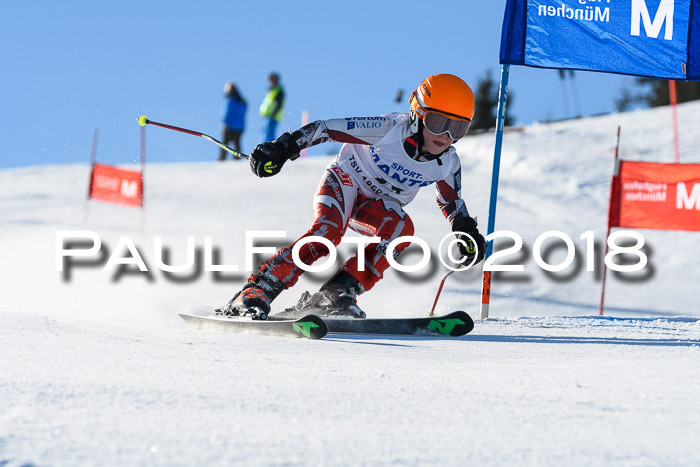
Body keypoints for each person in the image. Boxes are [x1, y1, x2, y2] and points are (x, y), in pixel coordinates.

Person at [221, 73, 487, 320]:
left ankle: (335, 294)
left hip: (378, 205)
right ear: (418, 114)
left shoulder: (448, 163)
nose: (446, 136)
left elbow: (451, 201)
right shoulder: (389, 129)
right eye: (439, 123)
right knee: (328, 232)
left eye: (458, 128)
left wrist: (464, 230)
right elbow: (325, 129)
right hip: (346, 181)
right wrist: (283, 148)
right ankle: (258, 290)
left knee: (401, 231)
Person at [220, 82, 247, 160]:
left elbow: (228, 112)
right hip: (239, 126)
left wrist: (225, 123)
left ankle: (222, 160)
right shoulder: (241, 100)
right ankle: (237, 159)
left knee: (224, 144)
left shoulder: (231, 99)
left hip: (230, 126)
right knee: (236, 144)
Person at [259, 72, 285, 141]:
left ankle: (270, 149)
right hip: (267, 116)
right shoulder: (272, 90)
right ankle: (263, 149)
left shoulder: (278, 91)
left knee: (269, 135)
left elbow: (279, 104)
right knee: (264, 134)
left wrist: (273, 114)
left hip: (272, 117)